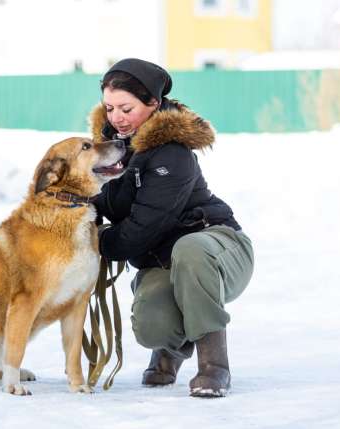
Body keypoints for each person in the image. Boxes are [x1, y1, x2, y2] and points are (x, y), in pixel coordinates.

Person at [90, 58, 254, 398]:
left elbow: (142, 229)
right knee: (152, 326)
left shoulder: (172, 154)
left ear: (152, 103)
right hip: (163, 262)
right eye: (109, 108)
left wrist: (95, 242)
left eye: (125, 108)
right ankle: (169, 347)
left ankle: (214, 366)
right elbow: (100, 202)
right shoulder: (113, 150)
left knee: (189, 248)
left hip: (218, 249)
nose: (116, 117)